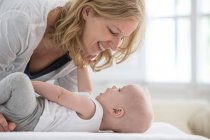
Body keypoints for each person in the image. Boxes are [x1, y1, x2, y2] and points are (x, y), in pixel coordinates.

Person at [0, 0, 145, 131]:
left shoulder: (78, 53)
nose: (114, 47)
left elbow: (65, 101)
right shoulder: (22, 20)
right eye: (113, 31)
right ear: (87, 12)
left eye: (122, 38)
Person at [0, 72, 153, 132]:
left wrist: (31, 84)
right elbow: (87, 91)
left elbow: (60, 95)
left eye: (119, 89)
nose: (113, 87)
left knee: (19, 81)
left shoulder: (92, 108)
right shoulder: (95, 123)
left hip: (32, 116)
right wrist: (82, 65)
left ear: (116, 111)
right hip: (29, 122)